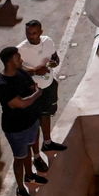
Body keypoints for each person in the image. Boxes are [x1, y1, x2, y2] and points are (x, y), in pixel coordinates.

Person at [0, 46, 46, 196]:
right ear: (9, 62)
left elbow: (31, 86)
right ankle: (21, 189)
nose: (21, 60)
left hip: (30, 121)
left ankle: (29, 175)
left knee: (29, 150)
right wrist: (37, 94)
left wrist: (33, 93)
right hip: (16, 128)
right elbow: (21, 103)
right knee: (19, 158)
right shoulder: (2, 84)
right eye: (18, 58)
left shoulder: (21, 72)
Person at [16, 19, 67, 153]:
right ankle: (36, 155)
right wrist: (34, 71)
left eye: (34, 33)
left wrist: (55, 62)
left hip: (49, 85)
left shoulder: (48, 41)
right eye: (28, 33)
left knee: (46, 114)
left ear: (41, 32)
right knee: (34, 123)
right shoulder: (20, 49)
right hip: (32, 90)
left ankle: (47, 142)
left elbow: (55, 56)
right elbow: (15, 71)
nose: (31, 36)